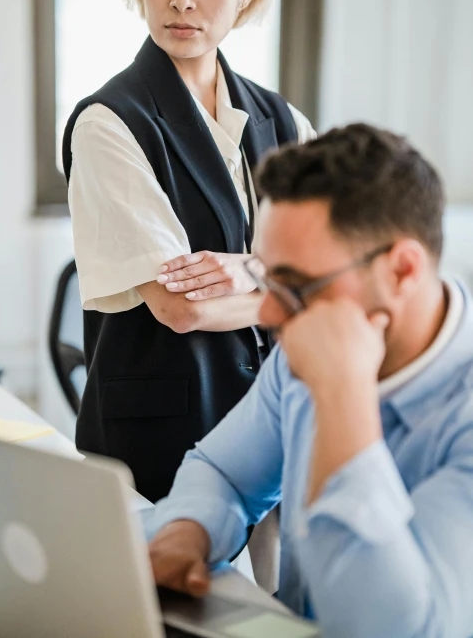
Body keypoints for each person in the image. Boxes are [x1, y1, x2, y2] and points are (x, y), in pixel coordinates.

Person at [145, 123, 473, 638]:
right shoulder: (303, 337)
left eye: (296, 284)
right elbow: (224, 471)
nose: (269, 312)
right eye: (265, 278)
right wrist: (188, 531)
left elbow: (395, 629)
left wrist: (343, 394)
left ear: (403, 271)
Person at [62, 0, 315, 503]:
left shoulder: (286, 122)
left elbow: (332, 270)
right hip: (163, 439)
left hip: (278, 420)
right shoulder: (108, 123)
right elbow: (182, 307)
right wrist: (288, 291)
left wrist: (251, 270)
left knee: (287, 599)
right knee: (172, 602)